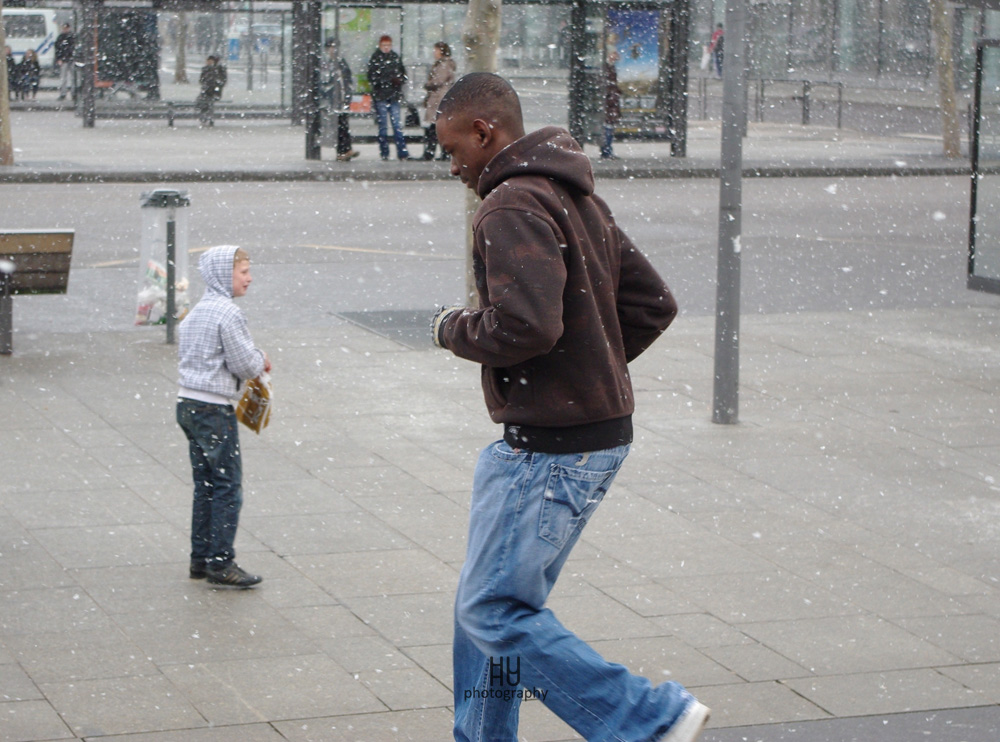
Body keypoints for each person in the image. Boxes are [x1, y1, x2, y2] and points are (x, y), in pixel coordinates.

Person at [431, 72, 710, 742]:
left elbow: (525, 326)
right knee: (493, 609)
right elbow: (652, 305)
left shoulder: (509, 206)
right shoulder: (572, 192)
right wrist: (592, 370)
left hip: (549, 448)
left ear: (484, 131)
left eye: (453, 149)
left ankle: (648, 718)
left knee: (493, 610)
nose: (451, 166)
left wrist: (451, 328)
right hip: (590, 434)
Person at [177, 245, 270, 588]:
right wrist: (261, 359)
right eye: (243, 272)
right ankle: (221, 563)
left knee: (205, 485)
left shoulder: (197, 311)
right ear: (223, 274)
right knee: (228, 486)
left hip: (187, 404)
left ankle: (199, 559)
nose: (249, 278)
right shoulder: (228, 313)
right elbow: (244, 364)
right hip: (214, 409)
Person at [367, 34, 410, 161]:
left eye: (388, 45)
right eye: (384, 45)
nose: (387, 48)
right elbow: (372, 77)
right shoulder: (376, 58)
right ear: (380, 46)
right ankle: (386, 152)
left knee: (396, 125)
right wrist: (390, 81)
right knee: (384, 126)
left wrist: (398, 80)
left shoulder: (394, 57)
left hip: (392, 95)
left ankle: (400, 152)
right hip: (382, 95)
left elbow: (403, 74)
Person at [321, 38, 359, 162]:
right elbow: (326, 83)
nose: (333, 50)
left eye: (335, 47)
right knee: (337, 126)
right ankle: (342, 151)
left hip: (342, 100)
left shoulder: (341, 62)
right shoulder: (328, 64)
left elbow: (347, 79)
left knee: (343, 125)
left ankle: (345, 150)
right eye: (331, 47)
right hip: (333, 101)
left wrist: (347, 94)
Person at [420, 41, 456, 160]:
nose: (434, 53)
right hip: (438, 97)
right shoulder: (443, 64)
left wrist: (428, 84)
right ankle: (436, 152)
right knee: (436, 126)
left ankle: (431, 152)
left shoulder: (444, 64)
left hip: (438, 98)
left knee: (435, 127)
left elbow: (438, 80)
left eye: (436, 50)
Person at [601, 50, 622, 160]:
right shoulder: (607, 68)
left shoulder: (609, 67)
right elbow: (610, 86)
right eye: (614, 54)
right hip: (610, 103)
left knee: (609, 127)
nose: (616, 56)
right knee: (608, 127)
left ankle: (607, 149)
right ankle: (606, 150)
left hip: (610, 102)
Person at [197, 55, 227, 126]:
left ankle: (208, 117)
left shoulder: (219, 69)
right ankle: (204, 115)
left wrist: (214, 82)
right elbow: (201, 80)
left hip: (215, 92)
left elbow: (222, 81)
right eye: (208, 61)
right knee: (202, 100)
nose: (208, 62)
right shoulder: (205, 69)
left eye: (210, 61)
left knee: (208, 101)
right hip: (206, 91)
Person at [55, 23, 75, 100]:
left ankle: (71, 93)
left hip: (68, 59)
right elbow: (57, 49)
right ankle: (65, 93)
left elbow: (58, 49)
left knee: (70, 78)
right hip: (66, 59)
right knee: (65, 78)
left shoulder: (70, 37)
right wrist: (59, 58)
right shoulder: (62, 38)